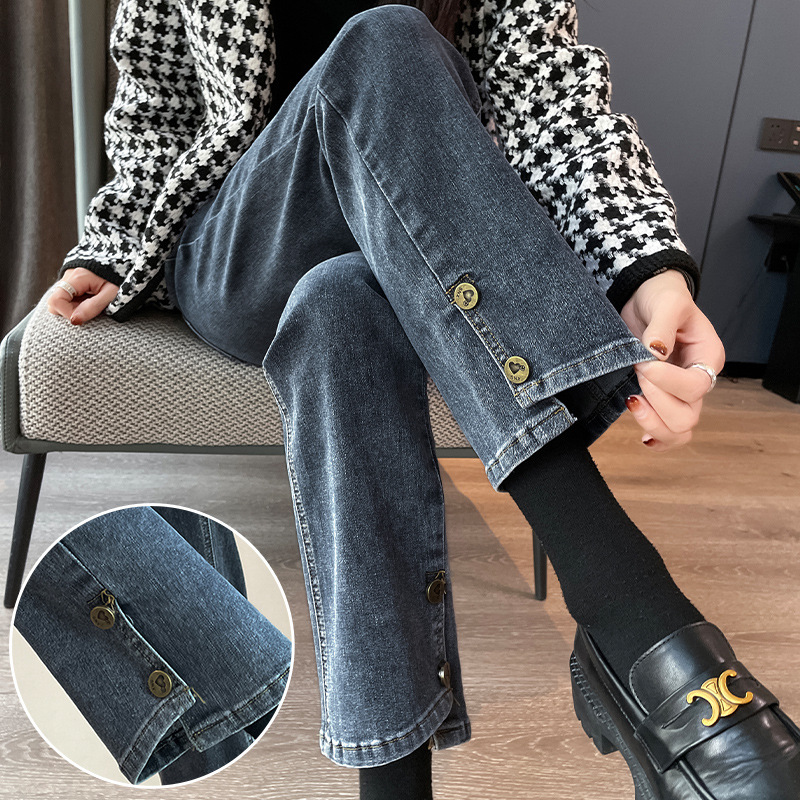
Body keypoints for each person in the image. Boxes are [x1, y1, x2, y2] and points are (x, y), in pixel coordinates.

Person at [45, 0, 800, 797]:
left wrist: (649, 268)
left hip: (403, 229)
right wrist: (115, 243)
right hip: (240, 242)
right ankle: (637, 619)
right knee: (386, 38)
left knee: (341, 302)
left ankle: (394, 784)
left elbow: (551, 96)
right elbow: (157, 102)